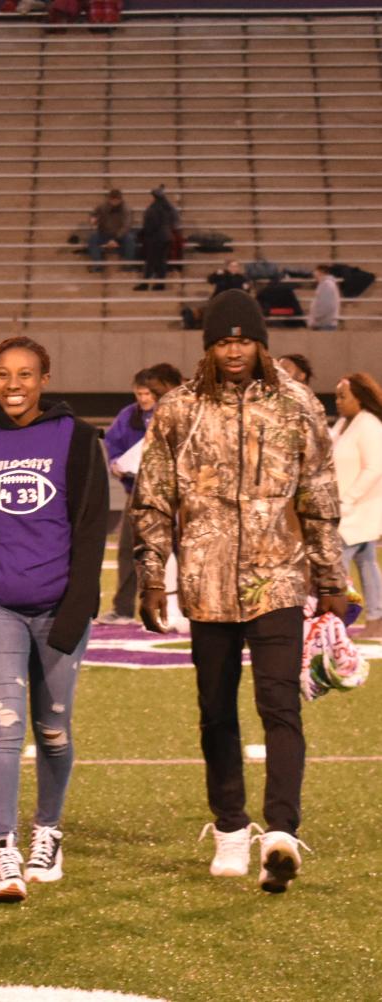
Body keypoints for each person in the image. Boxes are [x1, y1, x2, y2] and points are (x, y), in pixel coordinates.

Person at [132, 289, 347, 894]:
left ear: (260, 342)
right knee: (215, 711)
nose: (233, 351)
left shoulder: (297, 404)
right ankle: (230, 825)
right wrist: (153, 574)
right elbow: (152, 499)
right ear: (208, 344)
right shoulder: (179, 409)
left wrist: (331, 578)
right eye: (222, 341)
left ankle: (280, 832)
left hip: (277, 578)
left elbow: (321, 497)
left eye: (243, 340)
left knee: (280, 706)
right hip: (205, 584)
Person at [0, 338, 108, 903]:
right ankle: (3, 851)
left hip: (60, 607)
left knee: (53, 731)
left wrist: (75, 611)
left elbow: (89, 530)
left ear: (45, 379)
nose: (15, 384)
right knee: (3, 725)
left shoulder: (77, 438)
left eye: (26, 374)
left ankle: (48, 831)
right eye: (4, 374)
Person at [99, 366, 177, 624]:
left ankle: (184, 606)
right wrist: (115, 463)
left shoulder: (171, 412)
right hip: (138, 493)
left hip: (173, 494)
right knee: (128, 551)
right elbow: (113, 444)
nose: (143, 398)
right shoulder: (128, 416)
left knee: (179, 550)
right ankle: (122, 609)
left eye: (148, 393)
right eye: (139, 393)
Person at [331, 372, 382, 638]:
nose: (338, 401)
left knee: (334, 566)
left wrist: (348, 499)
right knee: (366, 563)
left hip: (356, 510)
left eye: (343, 396)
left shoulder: (370, 425)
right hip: (348, 510)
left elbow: (375, 467)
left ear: (360, 398)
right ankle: (376, 619)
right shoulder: (343, 424)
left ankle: (334, 620)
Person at [134, 185, 179, 291]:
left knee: (151, 262)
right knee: (161, 261)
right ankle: (160, 284)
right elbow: (174, 222)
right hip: (166, 237)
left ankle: (145, 284)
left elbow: (150, 226)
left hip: (155, 238)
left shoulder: (153, 209)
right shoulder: (168, 207)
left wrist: (141, 234)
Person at [86, 189, 133, 271]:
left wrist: (115, 239)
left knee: (130, 239)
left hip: (120, 235)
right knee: (93, 238)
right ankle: (98, 265)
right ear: (109, 199)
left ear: (120, 199)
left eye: (117, 200)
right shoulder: (103, 206)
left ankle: (128, 265)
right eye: (112, 200)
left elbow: (126, 226)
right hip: (104, 234)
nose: (114, 202)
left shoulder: (126, 209)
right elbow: (94, 214)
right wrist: (93, 219)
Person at [309, 264, 341, 330]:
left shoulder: (327, 285)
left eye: (315, 271)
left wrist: (315, 316)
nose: (314, 274)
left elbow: (327, 305)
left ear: (321, 272)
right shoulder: (325, 284)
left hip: (324, 323)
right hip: (324, 323)